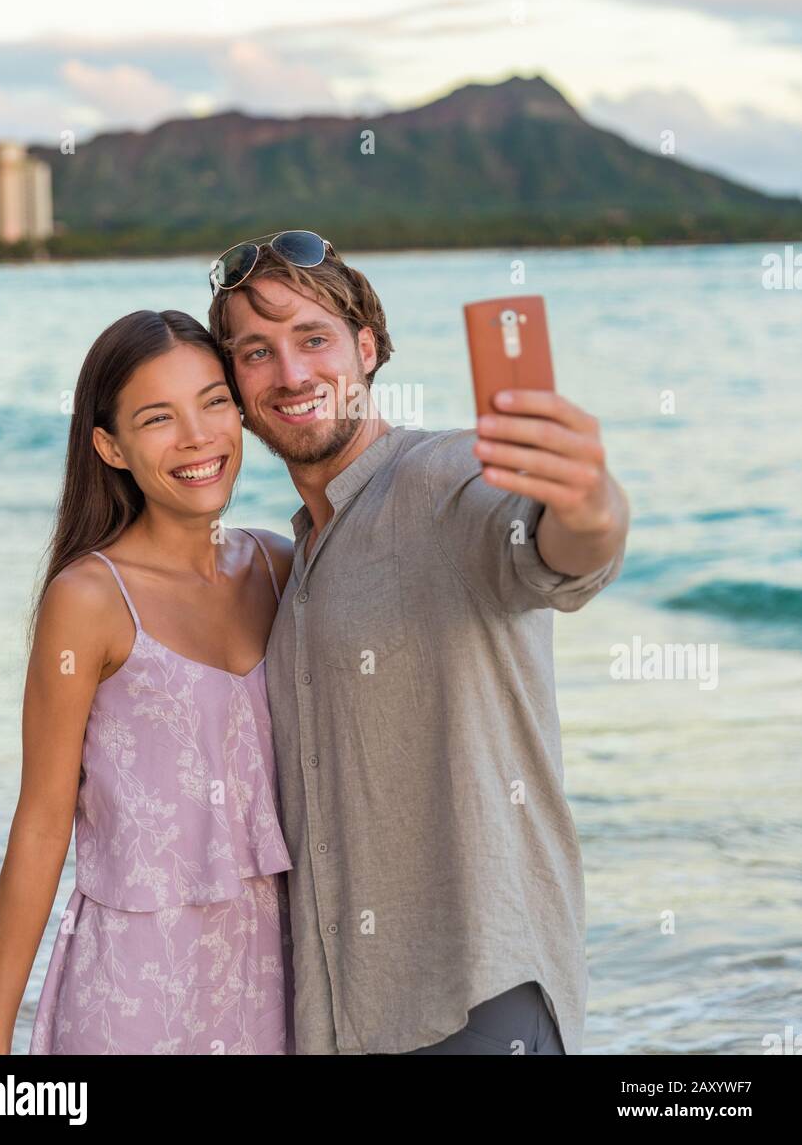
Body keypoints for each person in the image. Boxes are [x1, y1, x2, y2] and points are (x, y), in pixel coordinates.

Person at [206, 231, 630, 1056]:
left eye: (314, 339)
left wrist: (590, 502)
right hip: (343, 1015)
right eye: (256, 353)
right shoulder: (296, 565)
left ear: (366, 348)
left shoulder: (445, 477)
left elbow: (556, 553)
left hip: (472, 996)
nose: (291, 375)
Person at [0, 309, 295, 1055]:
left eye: (214, 401)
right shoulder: (88, 600)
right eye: (158, 418)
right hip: (131, 996)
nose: (196, 437)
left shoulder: (285, 570)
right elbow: (43, 823)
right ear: (110, 446)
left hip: (272, 986)